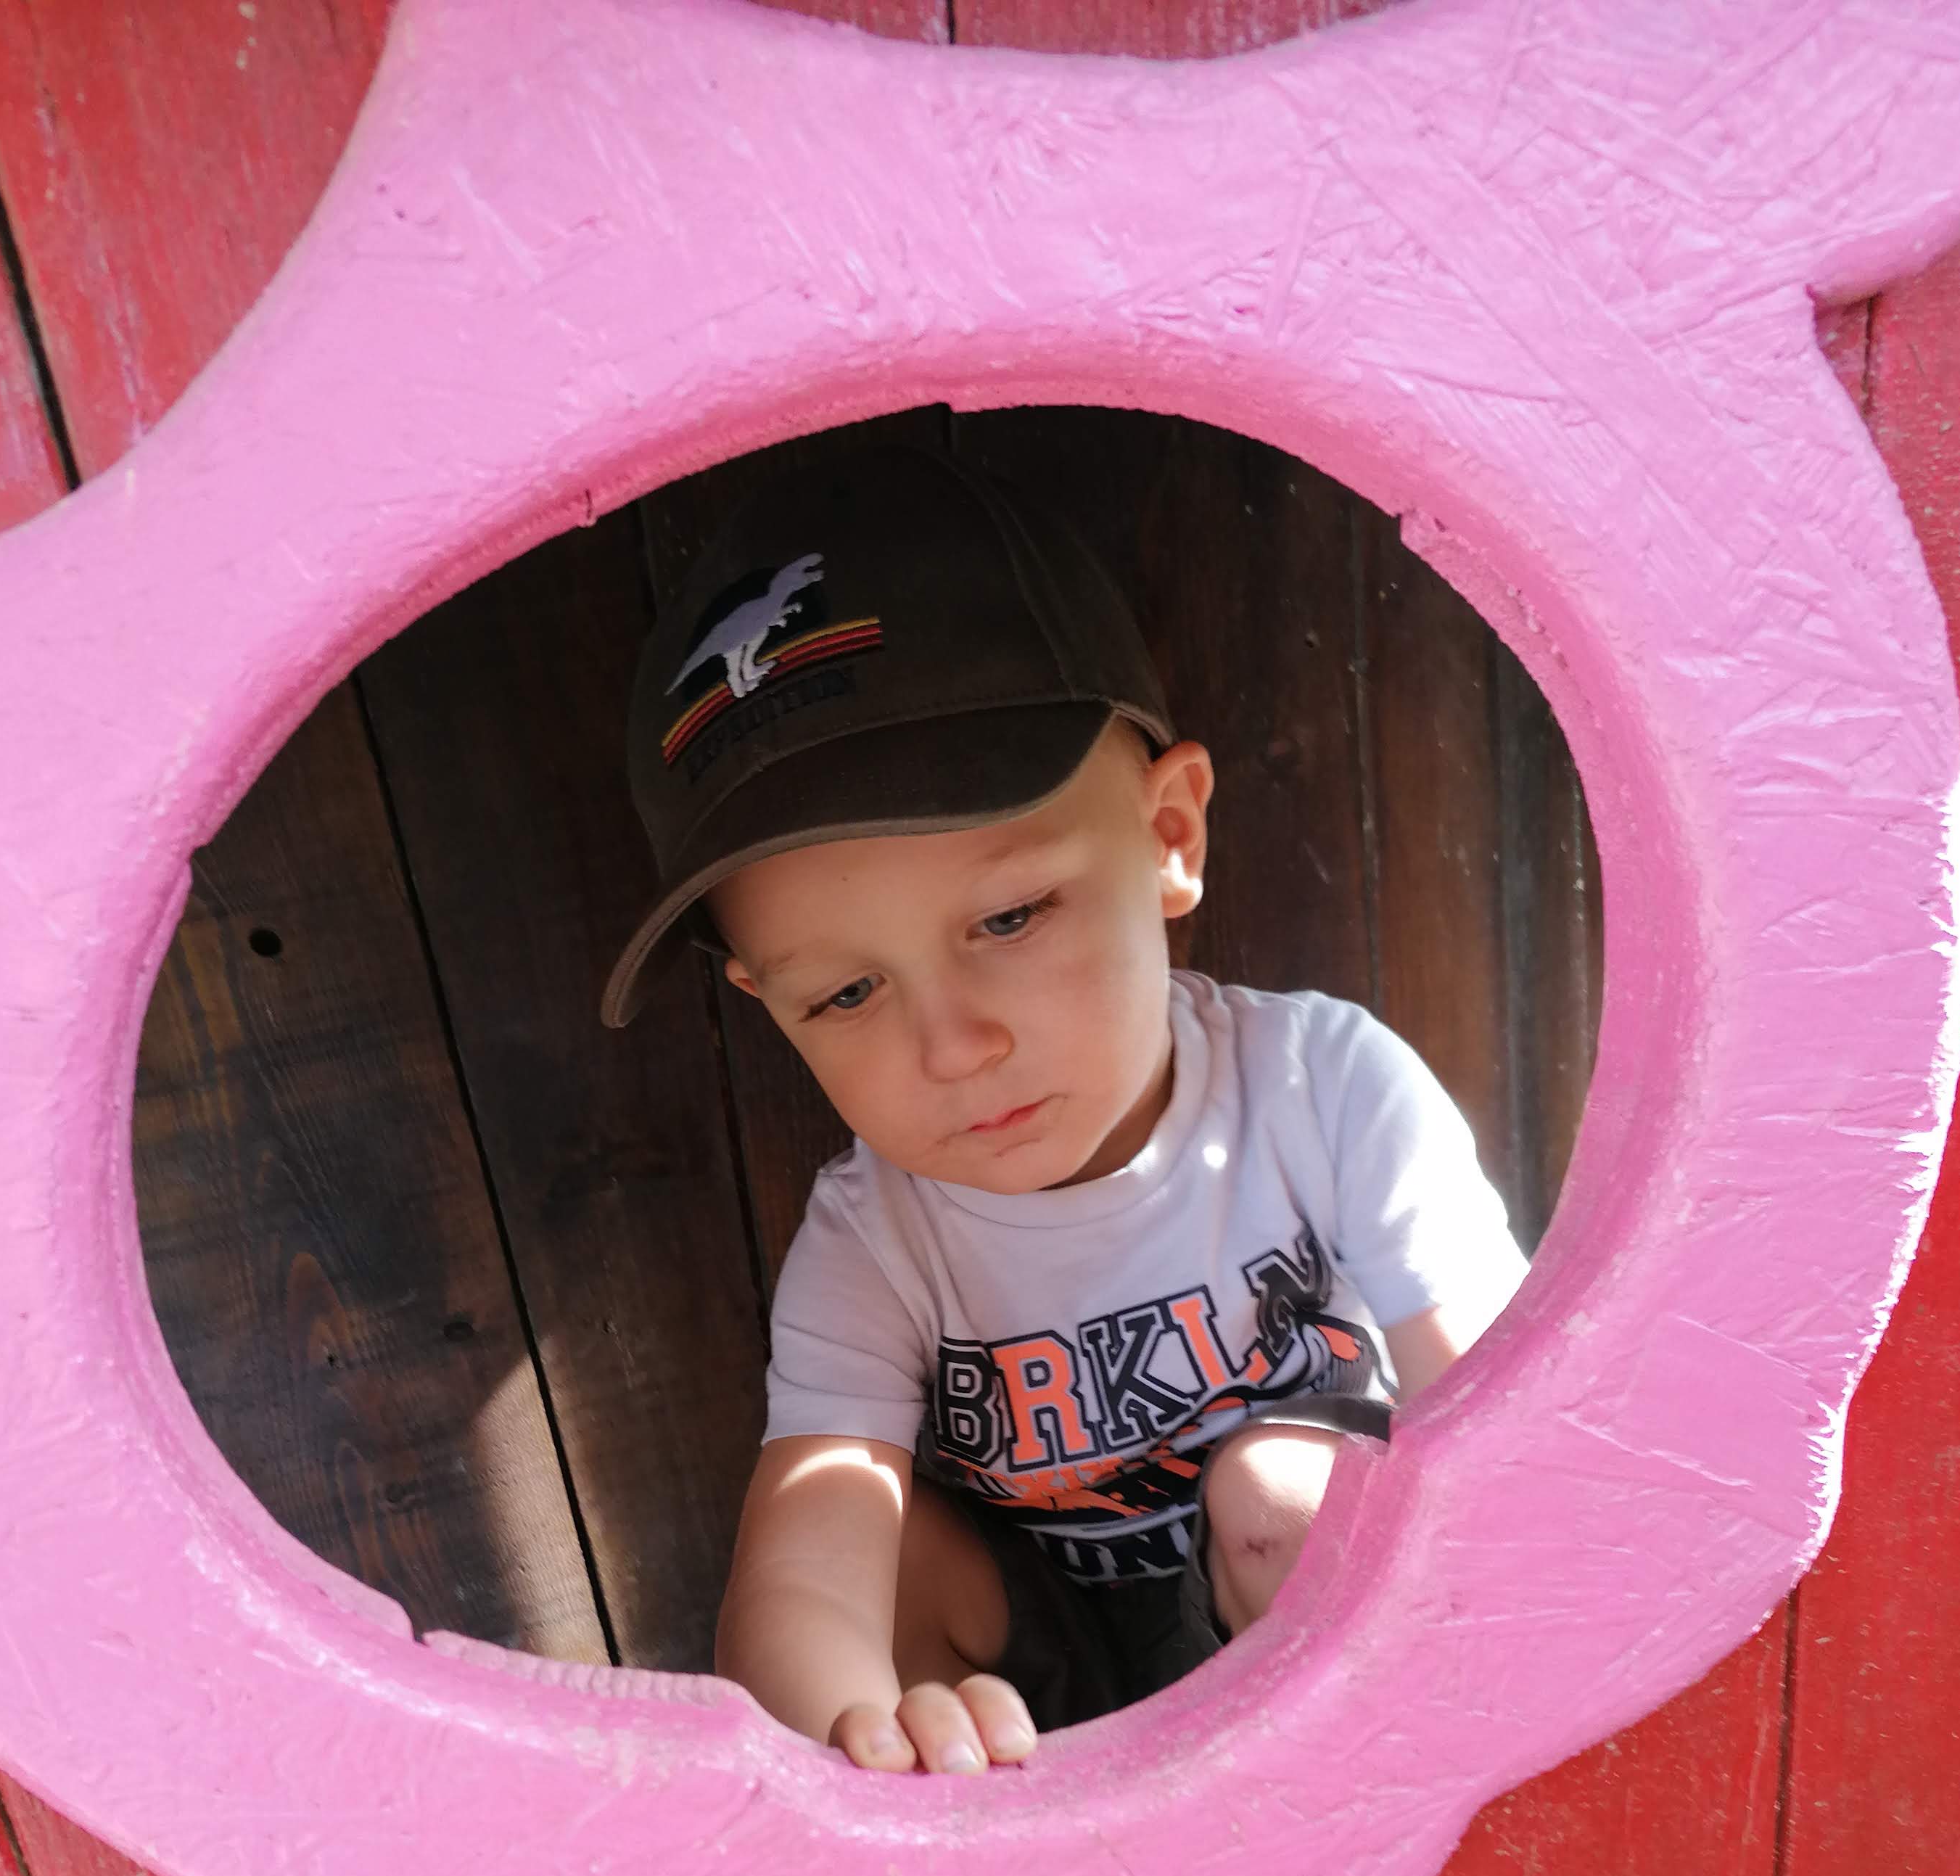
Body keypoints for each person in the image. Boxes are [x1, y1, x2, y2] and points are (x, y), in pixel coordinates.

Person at [604, 444, 1528, 1774]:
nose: (954, 1047)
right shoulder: (877, 1240)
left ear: (1168, 836)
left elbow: (1503, 1408)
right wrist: (857, 1736)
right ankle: (953, 1826)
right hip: (1045, 1702)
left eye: (1011, 916)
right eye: (847, 992)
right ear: (766, 1001)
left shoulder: (1320, 1087)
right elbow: (806, 1561)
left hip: (1324, 1655)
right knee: (882, 1546)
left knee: (1278, 1492)